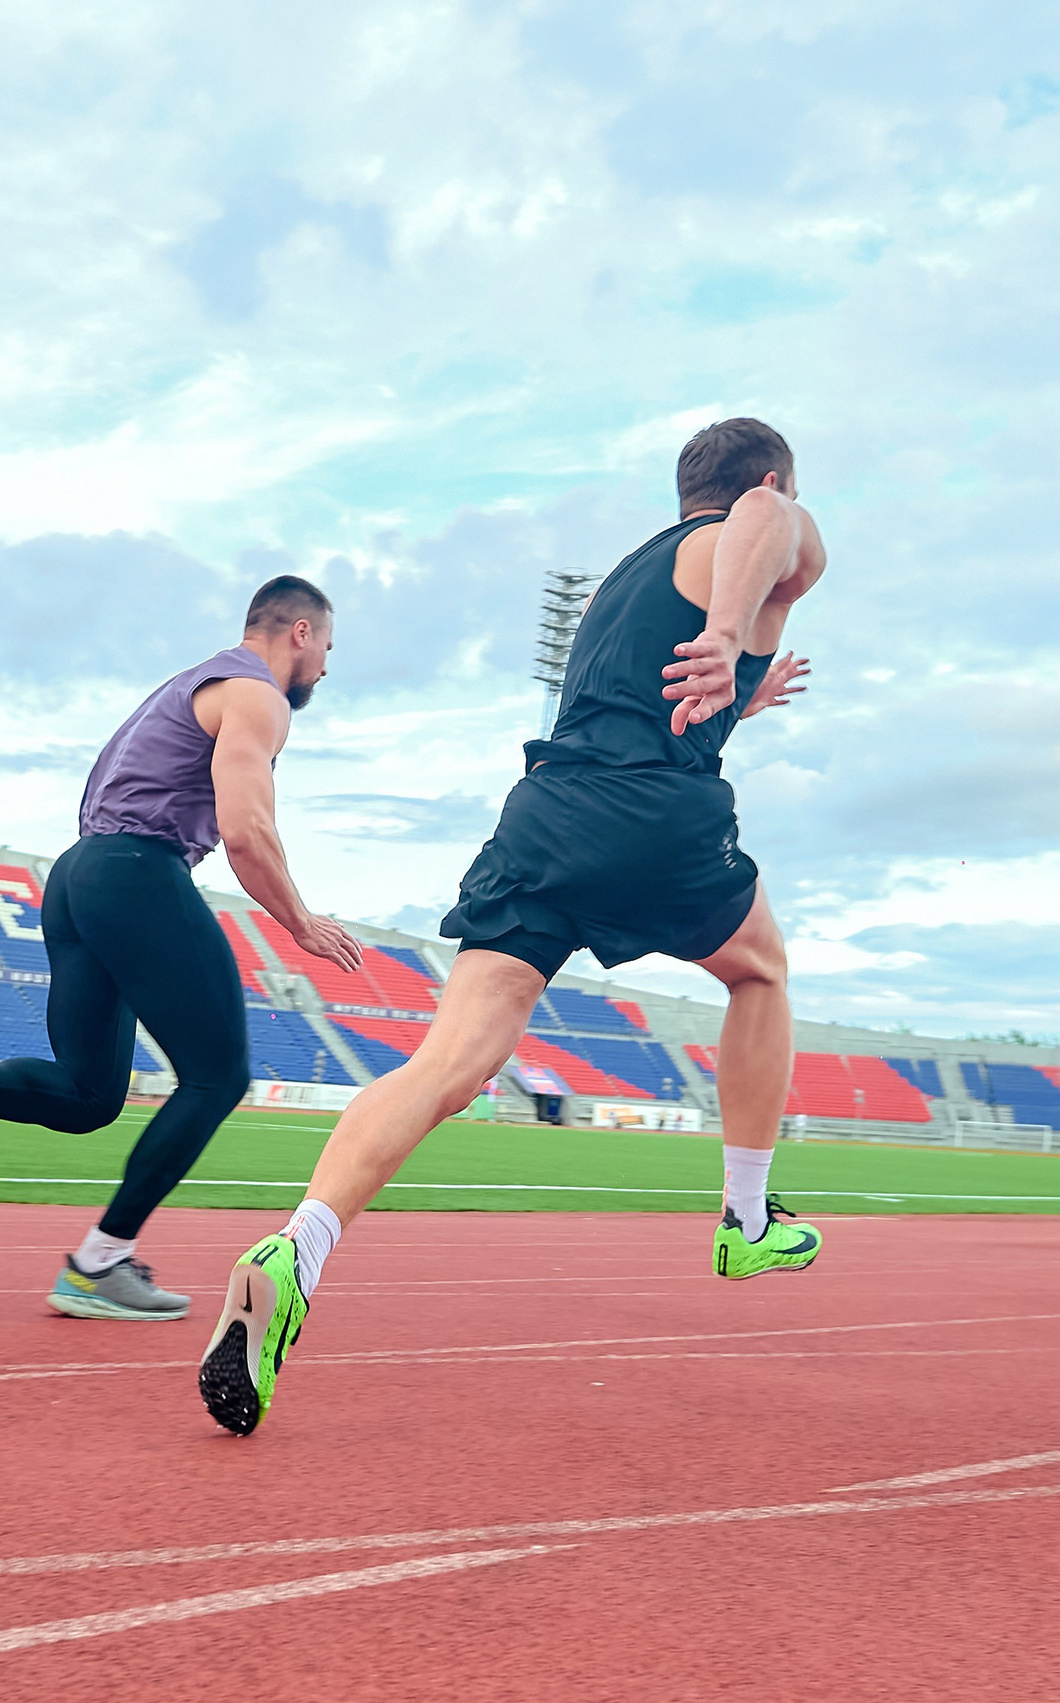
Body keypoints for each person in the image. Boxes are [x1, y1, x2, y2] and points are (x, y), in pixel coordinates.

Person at [197, 418, 826, 1435]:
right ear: (763, 478)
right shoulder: (750, 527)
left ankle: (298, 1244)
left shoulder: (629, 582)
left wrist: (738, 692)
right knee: (759, 970)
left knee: (446, 1065)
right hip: (648, 812)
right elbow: (771, 519)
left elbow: (640, 701)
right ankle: (745, 1218)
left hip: (539, 820)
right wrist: (726, 628)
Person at [0, 576, 361, 1322]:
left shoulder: (183, 685)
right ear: (299, 633)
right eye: (328, 647)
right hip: (138, 871)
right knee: (217, 1076)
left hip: (78, 875)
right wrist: (300, 920)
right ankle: (99, 1262)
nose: (328, 669)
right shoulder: (257, 695)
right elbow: (245, 829)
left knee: (88, 1094)